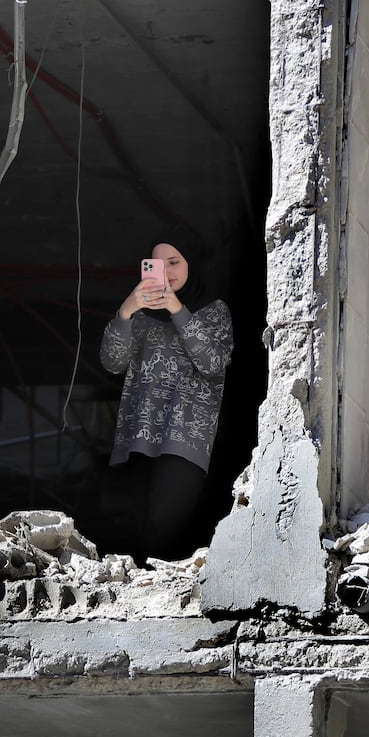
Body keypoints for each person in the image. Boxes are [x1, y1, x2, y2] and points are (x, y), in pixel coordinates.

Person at [99, 234, 233, 562]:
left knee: (164, 527)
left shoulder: (214, 311)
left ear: (192, 264)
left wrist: (176, 307)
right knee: (132, 529)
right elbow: (111, 362)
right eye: (157, 264)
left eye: (174, 262)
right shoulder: (141, 318)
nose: (166, 270)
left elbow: (214, 363)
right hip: (138, 438)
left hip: (185, 439)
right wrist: (127, 310)